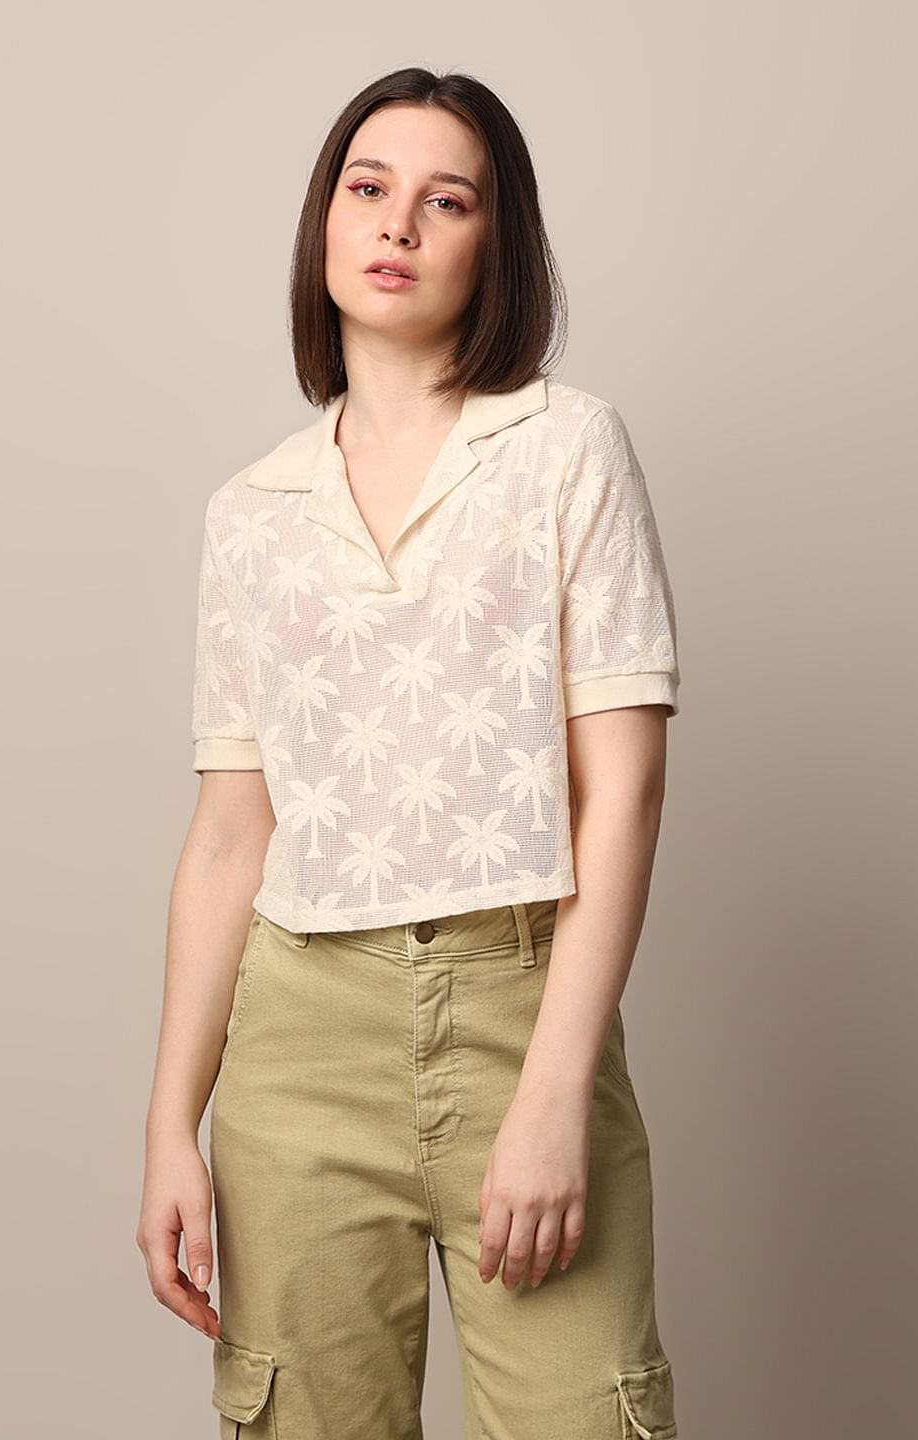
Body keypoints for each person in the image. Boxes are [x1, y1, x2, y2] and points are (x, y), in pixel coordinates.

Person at [137, 66, 682, 1440]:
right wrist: (169, 1127)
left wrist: (555, 1092)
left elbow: (622, 790)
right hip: (299, 1047)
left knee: (588, 1412)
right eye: (369, 188)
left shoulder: (567, 450)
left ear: (499, 243)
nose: (398, 224)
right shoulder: (251, 513)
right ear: (323, 222)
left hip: (520, 1009)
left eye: (449, 201)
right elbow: (228, 839)